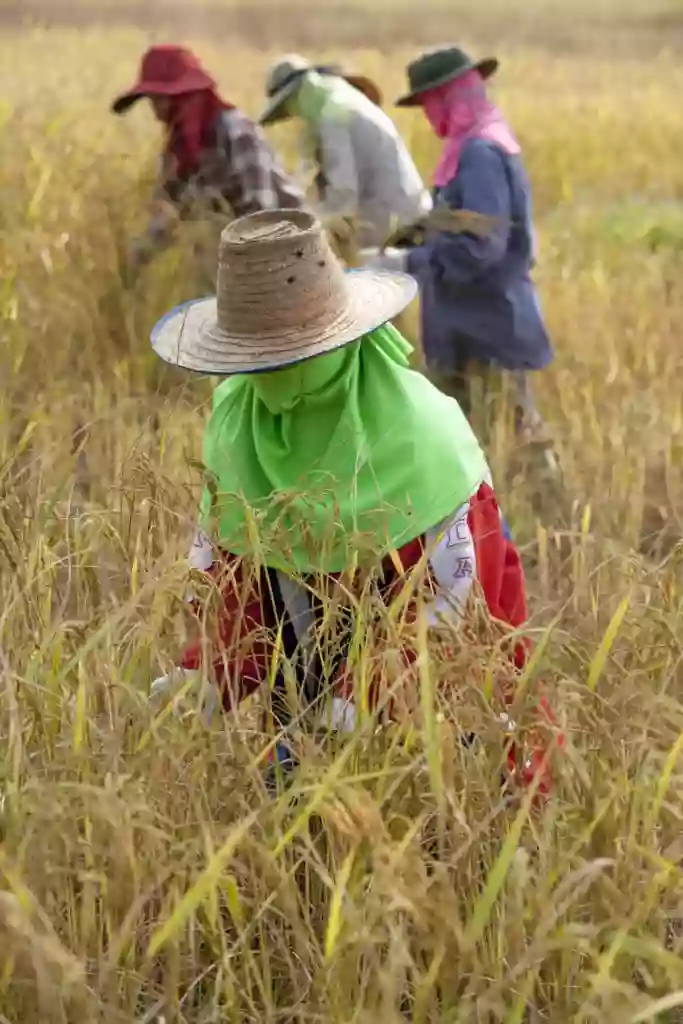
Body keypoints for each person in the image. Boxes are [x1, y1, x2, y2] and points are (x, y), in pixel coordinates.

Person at [149, 208, 557, 792]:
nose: (273, 380)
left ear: (341, 342)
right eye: (256, 361)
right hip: (310, 697)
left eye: (292, 358)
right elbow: (240, 586)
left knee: (452, 834)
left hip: (448, 713)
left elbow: (457, 622)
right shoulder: (238, 424)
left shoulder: (421, 437)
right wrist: (209, 672)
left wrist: (361, 700)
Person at [361, 46, 554, 445]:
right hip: (473, 323)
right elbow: (464, 223)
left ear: (450, 97)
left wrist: (406, 263)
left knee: (512, 441)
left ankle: (549, 507)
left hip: (488, 327)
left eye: (430, 103)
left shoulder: (479, 153)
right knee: (469, 444)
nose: (429, 116)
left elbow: (479, 247)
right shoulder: (475, 143)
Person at [111, 44, 304, 275]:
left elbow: (261, 211)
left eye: (161, 99)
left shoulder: (235, 131)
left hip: (288, 251)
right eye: (152, 100)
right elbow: (168, 215)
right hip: (233, 259)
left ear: (186, 97)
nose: (156, 111)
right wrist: (135, 260)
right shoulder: (178, 153)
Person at [258, 55, 432, 247]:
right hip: (409, 215)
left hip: (400, 231)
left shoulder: (333, 117)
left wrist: (307, 227)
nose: (292, 114)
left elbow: (343, 193)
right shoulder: (343, 100)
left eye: (288, 106)